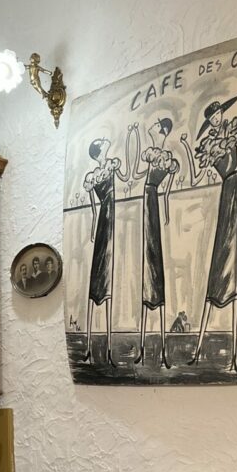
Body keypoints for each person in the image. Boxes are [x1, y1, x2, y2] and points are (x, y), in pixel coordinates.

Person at [181, 94, 237, 372]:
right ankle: (204, 345)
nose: (217, 118)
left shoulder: (233, 131)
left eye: (218, 114)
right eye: (213, 117)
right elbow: (195, 177)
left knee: (232, 263)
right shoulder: (208, 145)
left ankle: (234, 352)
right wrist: (187, 149)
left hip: (234, 193)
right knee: (222, 262)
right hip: (228, 196)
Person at [82, 127, 135, 365]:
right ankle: (92, 345)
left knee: (106, 277)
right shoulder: (94, 175)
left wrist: (132, 141)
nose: (106, 141)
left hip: (111, 222)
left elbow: (126, 176)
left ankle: (106, 345)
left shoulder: (111, 166)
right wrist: (93, 230)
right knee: (101, 276)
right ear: (98, 151)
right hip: (106, 223)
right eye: (102, 142)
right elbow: (94, 210)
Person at [130, 117, 180, 367]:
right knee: (148, 275)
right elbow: (135, 173)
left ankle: (160, 350)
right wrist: (135, 138)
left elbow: (165, 186)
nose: (152, 126)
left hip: (151, 207)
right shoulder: (152, 155)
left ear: (162, 131)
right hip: (148, 205)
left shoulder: (164, 157)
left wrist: (166, 209)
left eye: (156, 125)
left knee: (153, 269)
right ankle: (147, 348)